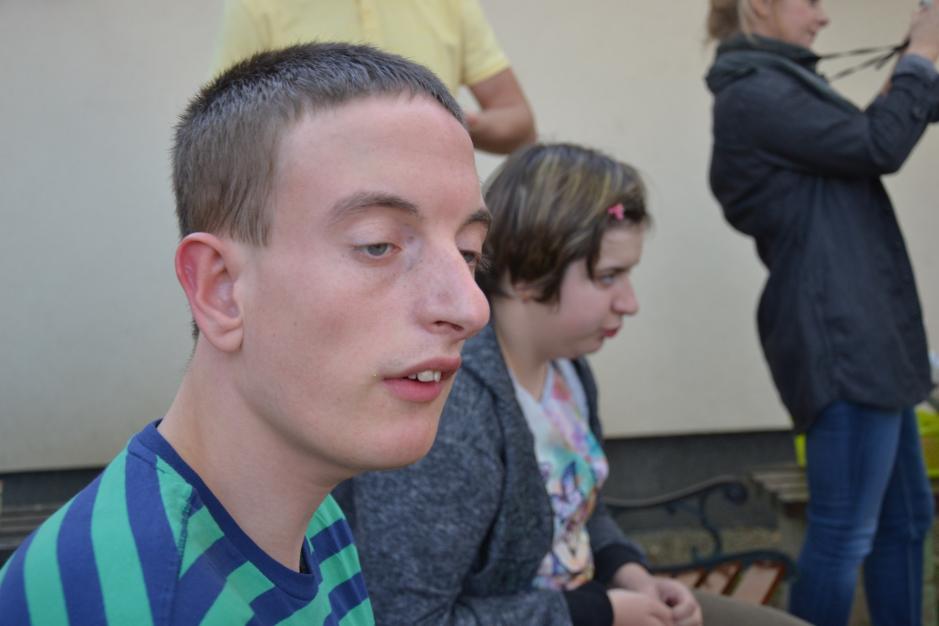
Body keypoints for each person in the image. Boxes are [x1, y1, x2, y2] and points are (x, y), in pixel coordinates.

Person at [0, 42, 491, 624]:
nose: (471, 306)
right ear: (221, 289)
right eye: (378, 244)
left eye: (469, 252)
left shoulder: (312, 515)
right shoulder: (126, 602)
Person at [335, 143, 810, 626]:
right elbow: (409, 616)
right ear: (526, 275)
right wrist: (598, 612)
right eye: (608, 277)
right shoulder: (455, 413)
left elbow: (581, 512)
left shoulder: (568, 371)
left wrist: (629, 572)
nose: (629, 302)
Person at [705, 1, 939, 624]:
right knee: (844, 534)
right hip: (842, 338)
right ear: (760, 5)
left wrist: (920, 61)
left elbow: (873, 132)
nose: (822, 17)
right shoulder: (754, 94)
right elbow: (879, 143)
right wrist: (921, 53)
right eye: (809, 0)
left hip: (868, 334)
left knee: (906, 521)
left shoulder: (779, 87)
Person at [212, 0, 537, 155]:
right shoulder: (257, 6)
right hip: (316, 217)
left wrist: (447, 120)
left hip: (430, 207)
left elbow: (519, 124)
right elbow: (226, 132)